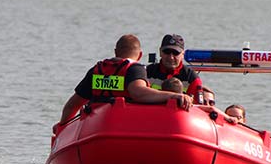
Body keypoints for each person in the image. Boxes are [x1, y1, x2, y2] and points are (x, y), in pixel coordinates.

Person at [54, 34, 193, 130]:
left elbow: (71, 106)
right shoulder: (134, 69)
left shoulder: (97, 70)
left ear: (115, 51)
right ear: (139, 55)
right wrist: (173, 95)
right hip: (124, 126)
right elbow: (139, 93)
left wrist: (62, 128)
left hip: (97, 125)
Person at [146, 34, 203, 102]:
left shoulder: (191, 78)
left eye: (176, 53)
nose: (171, 57)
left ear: (182, 54)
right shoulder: (146, 73)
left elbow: (198, 107)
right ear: (160, 52)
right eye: (167, 52)